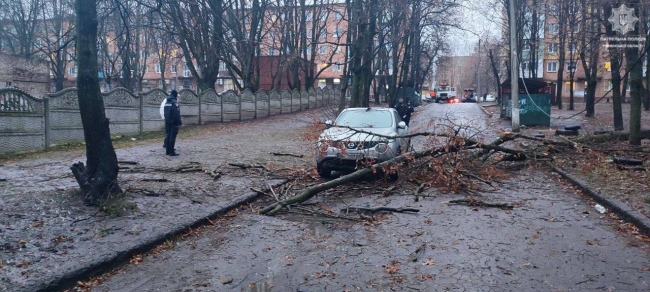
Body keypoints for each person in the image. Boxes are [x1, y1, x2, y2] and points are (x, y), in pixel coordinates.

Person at [164, 90, 182, 156]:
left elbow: (165, 113)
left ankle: (167, 151)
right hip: (174, 122)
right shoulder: (174, 103)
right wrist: (179, 122)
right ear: (175, 95)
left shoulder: (167, 102)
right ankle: (171, 152)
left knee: (168, 135)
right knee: (172, 136)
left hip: (167, 122)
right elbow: (176, 114)